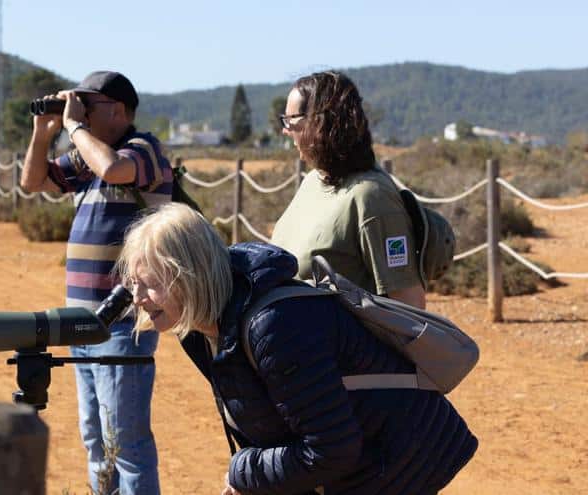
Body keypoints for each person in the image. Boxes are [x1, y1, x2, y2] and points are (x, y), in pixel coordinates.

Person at [118, 203, 477, 495]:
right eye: (133, 284)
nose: (137, 299)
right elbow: (271, 422)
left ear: (189, 276)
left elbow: (331, 448)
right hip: (359, 464)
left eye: (149, 284)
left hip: (398, 462)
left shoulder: (274, 327)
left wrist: (245, 471)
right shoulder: (197, 330)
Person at [21, 70, 171, 495]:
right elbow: (32, 182)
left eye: (90, 104)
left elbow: (113, 168)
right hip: (81, 322)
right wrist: (42, 132)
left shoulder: (144, 150)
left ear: (118, 110)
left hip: (124, 323)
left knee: (126, 443)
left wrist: (72, 127)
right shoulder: (88, 154)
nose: (81, 111)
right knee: (95, 441)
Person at [271, 71, 426, 308]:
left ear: (319, 122)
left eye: (291, 120)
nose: (285, 130)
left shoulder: (372, 197)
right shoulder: (312, 181)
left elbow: (410, 307)